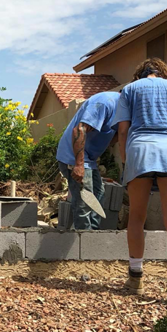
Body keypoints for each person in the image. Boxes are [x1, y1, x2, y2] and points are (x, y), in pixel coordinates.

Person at [112, 57, 167, 293]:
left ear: (140, 74)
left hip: (140, 150)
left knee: (137, 217)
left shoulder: (129, 90)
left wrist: (127, 161)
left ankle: (135, 279)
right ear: (165, 73)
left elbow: (123, 130)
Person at [56, 91, 121, 230]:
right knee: (83, 204)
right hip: (74, 157)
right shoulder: (105, 102)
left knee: (98, 195)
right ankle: (84, 240)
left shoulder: (124, 111)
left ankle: (92, 236)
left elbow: (114, 136)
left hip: (88, 159)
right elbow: (79, 130)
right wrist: (78, 165)